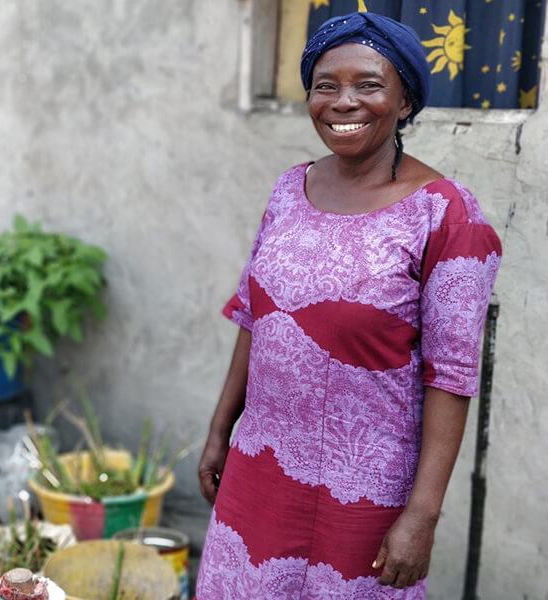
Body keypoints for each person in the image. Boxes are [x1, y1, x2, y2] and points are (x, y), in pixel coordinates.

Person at [194, 11, 502, 600]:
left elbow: (453, 377)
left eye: (368, 85)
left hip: (364, 495)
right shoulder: (290, 189)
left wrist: (423, 516)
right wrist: (218, 432)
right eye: (325, 85)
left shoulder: (446, 215)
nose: (343, 102)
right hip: (260, 469)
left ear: (405, 101)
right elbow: (254, 317)